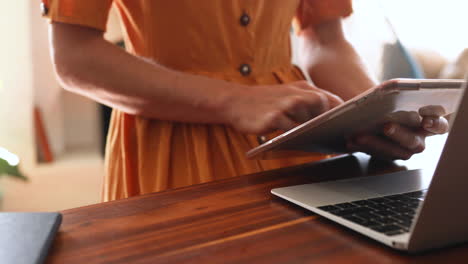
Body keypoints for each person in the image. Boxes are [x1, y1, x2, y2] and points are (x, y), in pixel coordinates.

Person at [43, 0, 448, 201]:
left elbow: (326, 40)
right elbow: (74, 56)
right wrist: (231, 99)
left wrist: (378, 111)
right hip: (172, 149)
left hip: (294, 143)